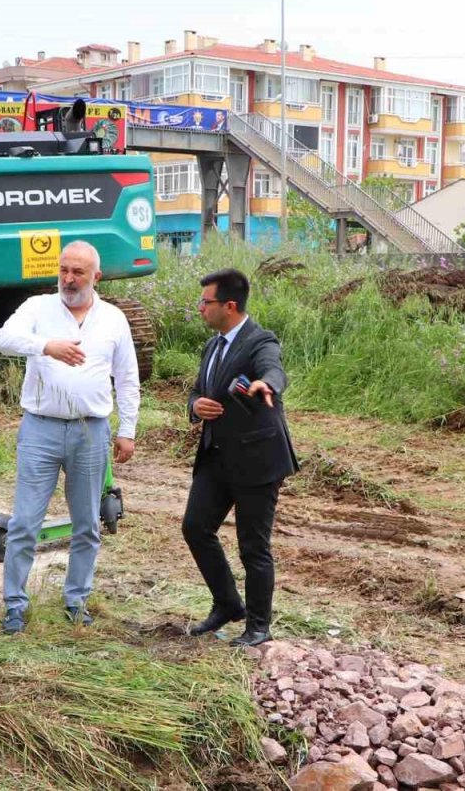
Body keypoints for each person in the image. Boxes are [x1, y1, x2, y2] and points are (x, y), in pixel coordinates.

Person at [0, 241, 140, 634]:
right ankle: (14, 605)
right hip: (40, 428)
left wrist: (127, 430)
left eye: (78, 272)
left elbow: (127, 377)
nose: (69, 279)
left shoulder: (112, 319)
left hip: (90, 431)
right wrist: (46, 346)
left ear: (97, 276)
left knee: (87, 525)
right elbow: (4, 339)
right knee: (25, 522)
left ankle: (76, 601)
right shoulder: (38, 309)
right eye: (63, 270)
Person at [182, 268, 298, 649]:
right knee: (196, 528)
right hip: (216, 455)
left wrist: (269, 384)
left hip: (257, 458)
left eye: (206, 302)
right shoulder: (213, 346)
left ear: (229, 306)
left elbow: (272, 368)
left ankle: (258, 625)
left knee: (253, 546)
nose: (200, 308)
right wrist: (195, 406)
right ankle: (228, 604)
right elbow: (198, 391)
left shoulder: (259, 340)